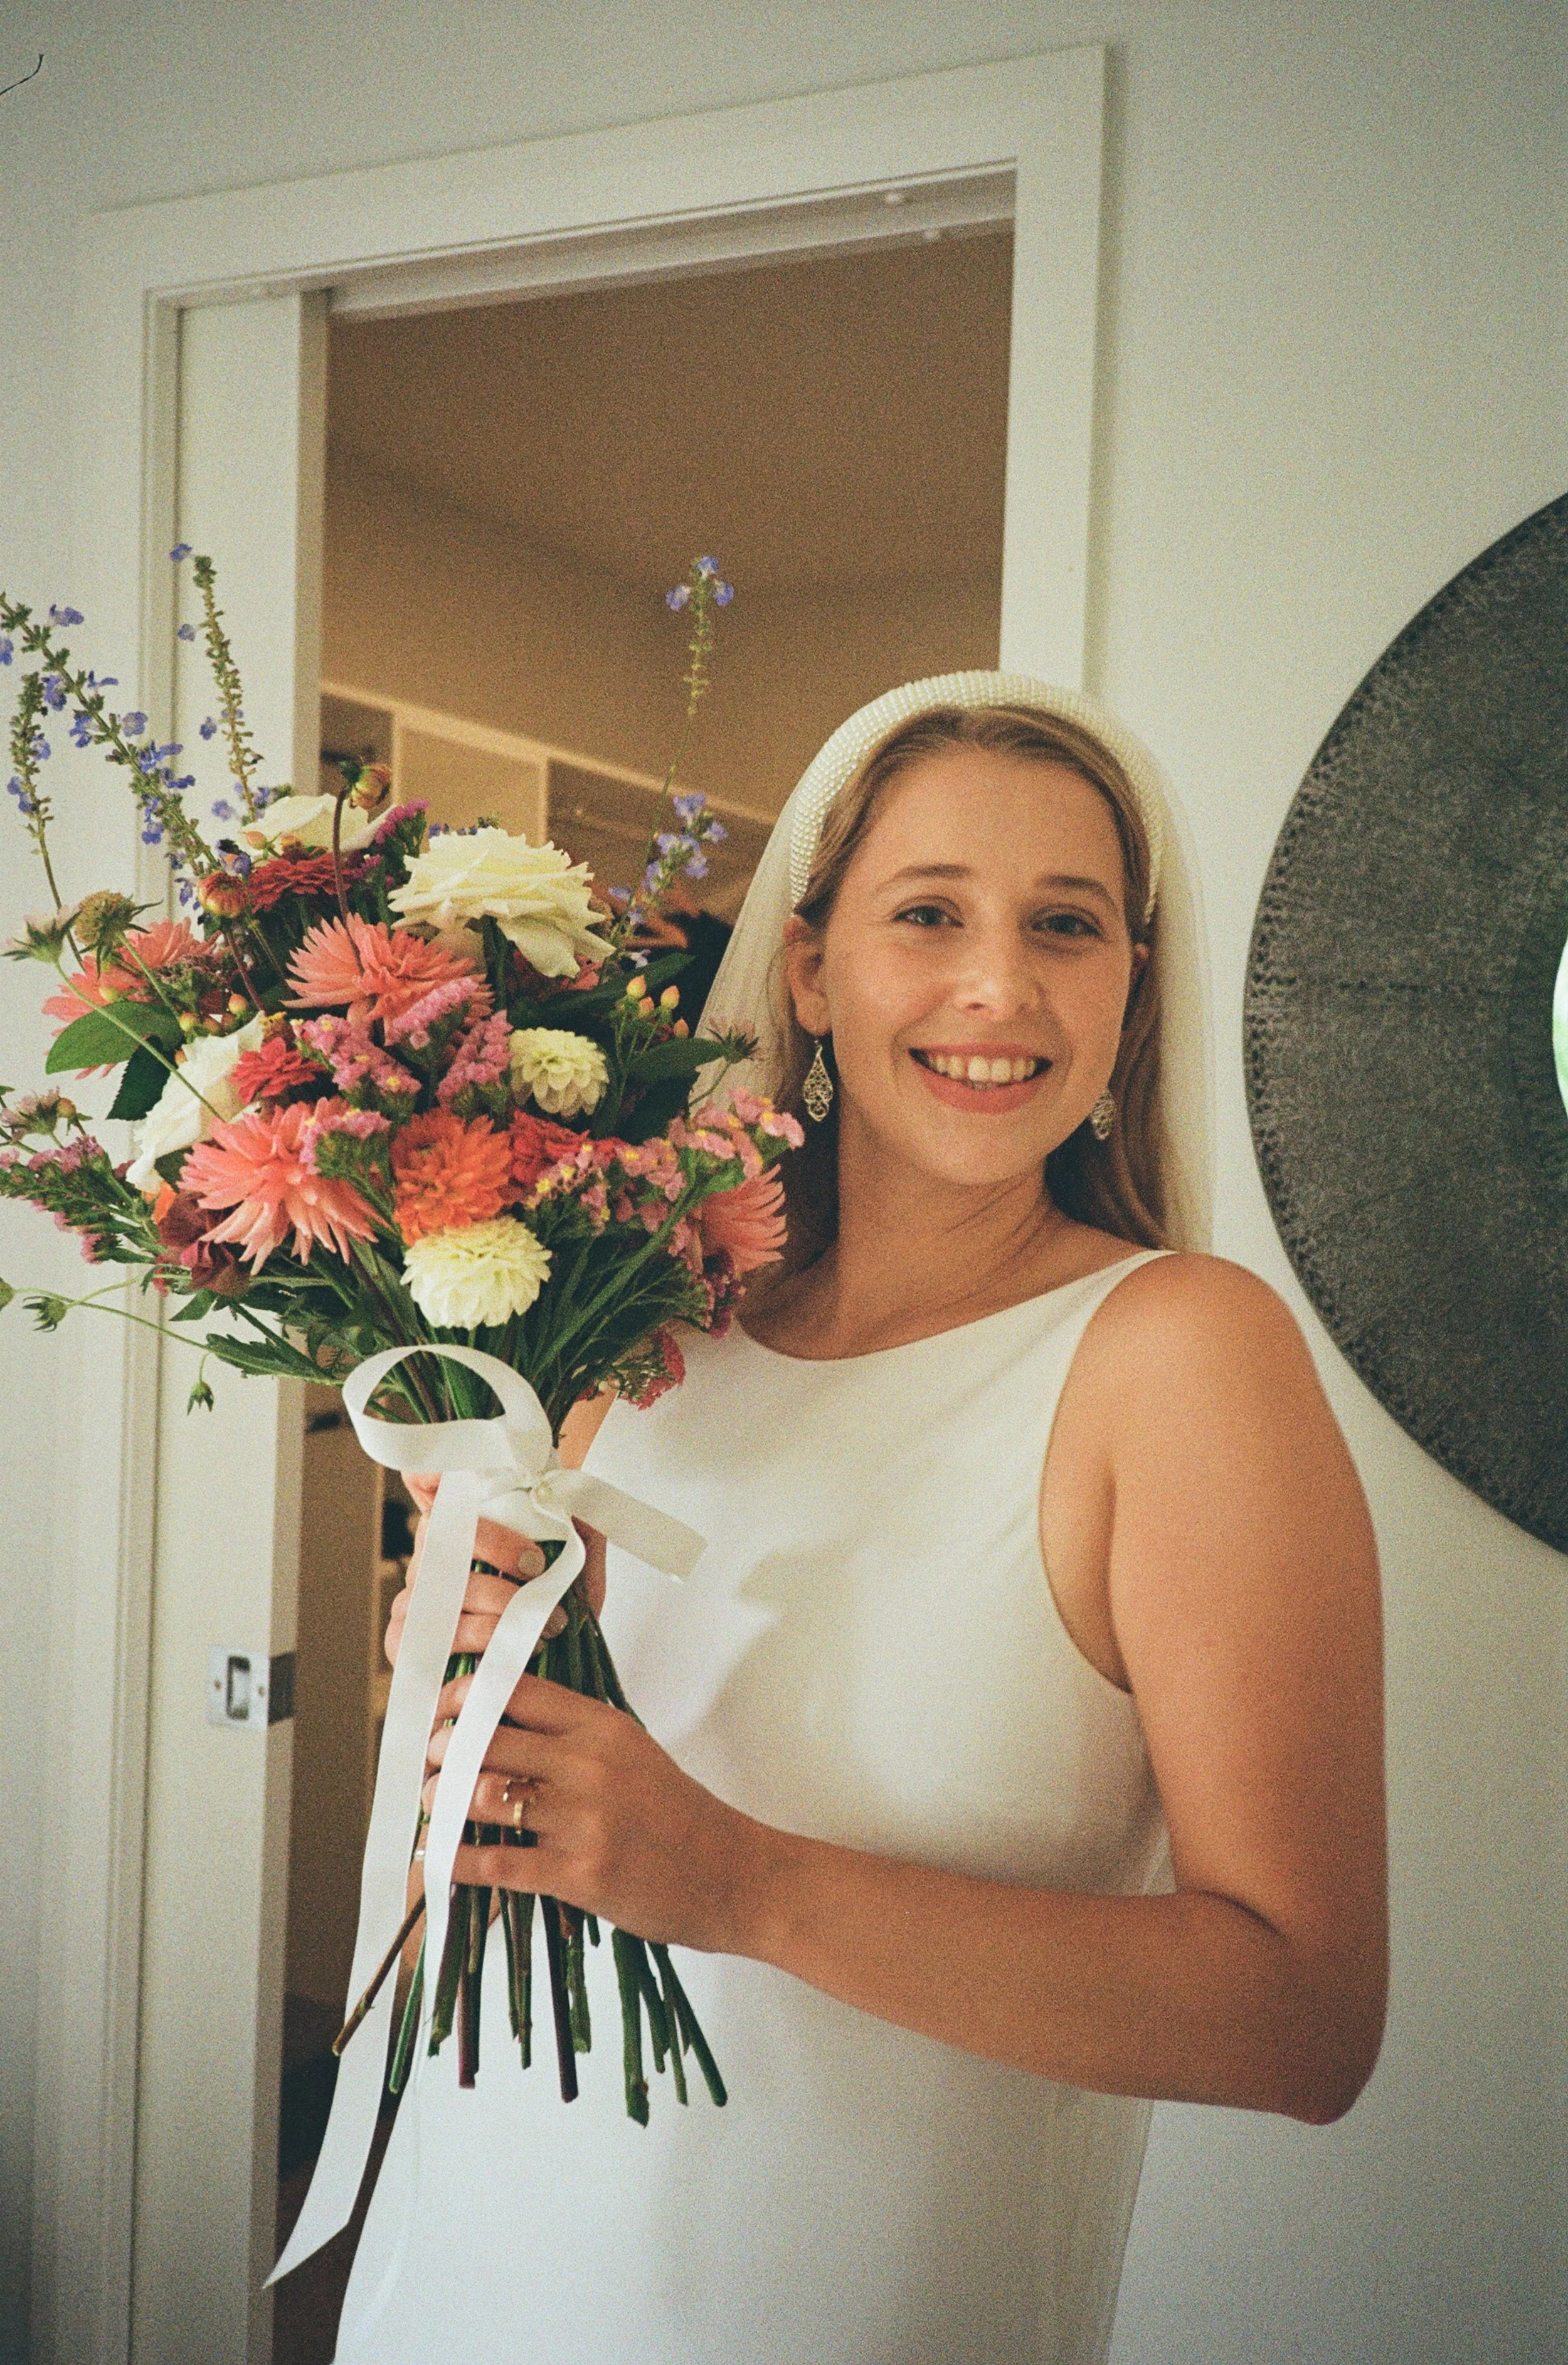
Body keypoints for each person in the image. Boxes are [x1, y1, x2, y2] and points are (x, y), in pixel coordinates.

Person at [344, 674, 1386, 2364]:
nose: (999, 986)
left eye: (1066, 924)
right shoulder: (646, 1318)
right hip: (476, 2268)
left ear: (1131, 988)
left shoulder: (1178, 1359)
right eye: (929, 914)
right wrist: (467, 1690)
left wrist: (741, 1885)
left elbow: (1304, 2018)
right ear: (813, 968)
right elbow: (491, 1862)